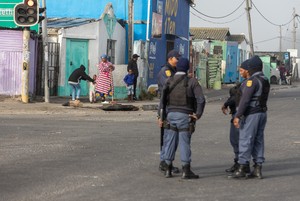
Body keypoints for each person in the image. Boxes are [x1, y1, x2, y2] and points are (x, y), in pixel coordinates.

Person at [158, 57, 206, 179]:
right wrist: (198, 114)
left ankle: (168, 169)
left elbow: (162, 101)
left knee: (170, 141)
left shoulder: (169, 81)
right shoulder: (192, 82)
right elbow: (201, 99)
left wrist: (160, 116)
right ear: (187, 68)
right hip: (186, 116)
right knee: (184, 142)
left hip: (171, 115)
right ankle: (186, 170)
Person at [232, 56, 270, 179]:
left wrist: (238, 115)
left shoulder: (252, 81)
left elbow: (245, 100)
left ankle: (242, 167)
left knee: (245, 139)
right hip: (262, 113)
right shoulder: (265, 79)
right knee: (258, 140)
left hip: (252, 114)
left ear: (252, 68)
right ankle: (258, 168)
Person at [157, 49, 181, 174]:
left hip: (173, 105)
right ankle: (164, 162)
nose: (178, 60)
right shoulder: (165, 71)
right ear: (170, 59)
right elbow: (170, 84)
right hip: (165, 106)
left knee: (172, 137)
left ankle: (167, 161)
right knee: (167, 136)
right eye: (176, 58)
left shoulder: (174, 70)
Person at [221, 81, 241, 174]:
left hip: (238, 115)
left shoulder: (238, 90)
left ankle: (240, 164)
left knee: (235, 140)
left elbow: (233, 98)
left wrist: (226, 104)